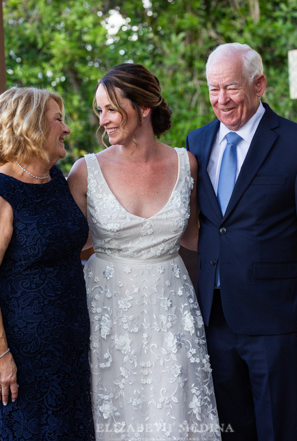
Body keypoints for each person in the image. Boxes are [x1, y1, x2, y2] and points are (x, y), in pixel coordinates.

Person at [68, 63, 221, 440]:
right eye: (99, 110)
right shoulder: (85, 171)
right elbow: (66, 247)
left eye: (111, 109)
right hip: (106, 310)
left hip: (170, 304)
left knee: (172, 406)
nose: (102, 120)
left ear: (144, 107)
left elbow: (196, 237)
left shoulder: (187, 163)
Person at [185, 42, 297, 441]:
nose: (221, 100)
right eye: (213, 89)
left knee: (279, 429)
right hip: (215, 318)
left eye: (230, 87)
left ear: (259, 84)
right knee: (231, 431)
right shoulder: (195, 143)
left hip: (277, 322)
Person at [0, 87, 95, 440]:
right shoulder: (2, 191)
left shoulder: (56, 180)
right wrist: (2, 357)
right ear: (31, 126)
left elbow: (70, 245)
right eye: (59, 120)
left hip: (70, 345)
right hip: (24, 357)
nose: (67, 129)